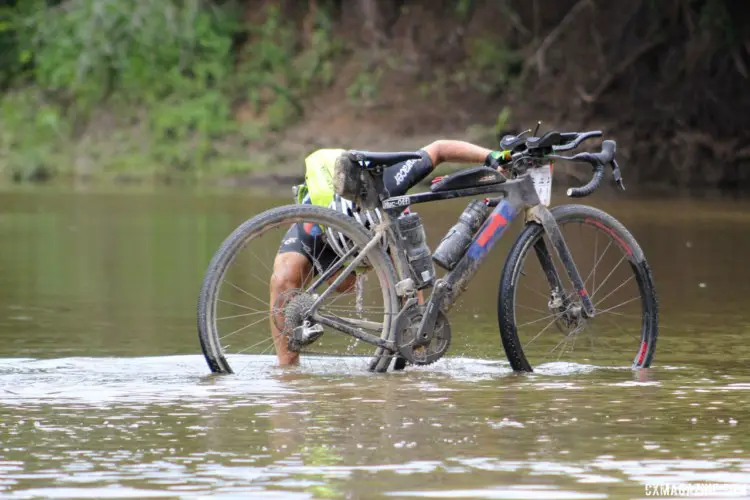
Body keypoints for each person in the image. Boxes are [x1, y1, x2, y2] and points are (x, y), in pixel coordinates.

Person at [270, 140, 508, 366]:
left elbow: (439, 149)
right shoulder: (317, 209)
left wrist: (490, 156)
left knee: (413, 308)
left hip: (388, 228)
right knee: (288, 278)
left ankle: (415, 358)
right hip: (324, 229)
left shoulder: (392, 181)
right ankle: (287, 369)